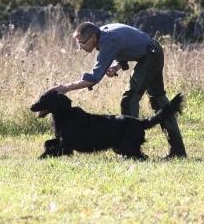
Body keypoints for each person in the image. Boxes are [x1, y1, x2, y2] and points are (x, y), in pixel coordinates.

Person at [51, 21, 187, 159]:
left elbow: (94, 78)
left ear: (92, 37)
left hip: (150, 55)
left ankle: (130, 150)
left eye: (82, 43)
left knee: (130, 99)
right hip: (153, 51)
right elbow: (125, 47)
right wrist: (116, 66)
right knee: (159, 101)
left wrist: (65, 88)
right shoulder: (102, 35)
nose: (80, 47)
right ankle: (178, 151)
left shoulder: (108, 40)